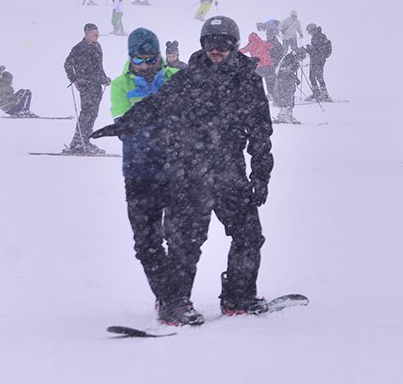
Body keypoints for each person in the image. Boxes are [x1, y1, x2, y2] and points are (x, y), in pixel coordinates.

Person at [92, 16, 275, 325]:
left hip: (230, 171)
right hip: (191, 170)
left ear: (234, 45)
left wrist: (261, 175)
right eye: (209, 43)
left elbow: (260, 134)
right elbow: (157, 105)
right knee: (185, 242)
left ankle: (238, 296)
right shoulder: (190, 78)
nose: (216, 50)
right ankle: (175, 303)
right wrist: (123, 125)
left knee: (248, 234)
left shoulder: (247, 81)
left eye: (223, 44)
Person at [106, 28, 182, 319]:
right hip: (139, 173)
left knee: (180, 239)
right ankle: (166, 296)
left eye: (153, 59)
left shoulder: (174, 77)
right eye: (141, 60)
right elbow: (127, 129)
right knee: (147, 242)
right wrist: (162, 124)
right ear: (131, 59)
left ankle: (176, 297)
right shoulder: (119, 85)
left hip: (177, 171)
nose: (147, 65)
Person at [63, 23, 112, 154]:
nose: (97, 35)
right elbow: (67, 64)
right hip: (85, 84)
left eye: (97, 33)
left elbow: (98, 67)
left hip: (96, 85)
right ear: (86, 33)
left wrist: (104, 78)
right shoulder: (79, 48)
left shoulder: (97, 46)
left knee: (93, 113)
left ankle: (83, 141)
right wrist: (73, 79)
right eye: (93, 33)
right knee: (87, 112)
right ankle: (78, 142)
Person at [243, 29, 277, 101]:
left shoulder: (250, 45)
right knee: (270, 81)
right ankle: (272, 94)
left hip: (259, 66)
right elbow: (271, 47)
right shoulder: (263, 42)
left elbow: (242, 51)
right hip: (269, 65)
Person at [272, 50, 303, 124]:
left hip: (288, 79)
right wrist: (293, 66)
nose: (300, 60)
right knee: (287, 96)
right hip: (283, 80)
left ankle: (287, 114)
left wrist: (295, 77)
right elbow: (283, 70)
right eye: (300, 58)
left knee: (291, 96)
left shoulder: (292, 59)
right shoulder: (288, 58)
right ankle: (283, 114)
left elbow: (289, 71)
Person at [304, 24, 332, 101]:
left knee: (318, 76)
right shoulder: (315, 37)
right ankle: (317, 93)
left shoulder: (320, 37)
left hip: (319, 60)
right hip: (315, 59)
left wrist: (309, 49)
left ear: (313, 30)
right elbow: (315, 50)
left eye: (309, 32)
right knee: (312, 76)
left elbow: (317, 50)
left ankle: (324, 94)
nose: (309, 33)